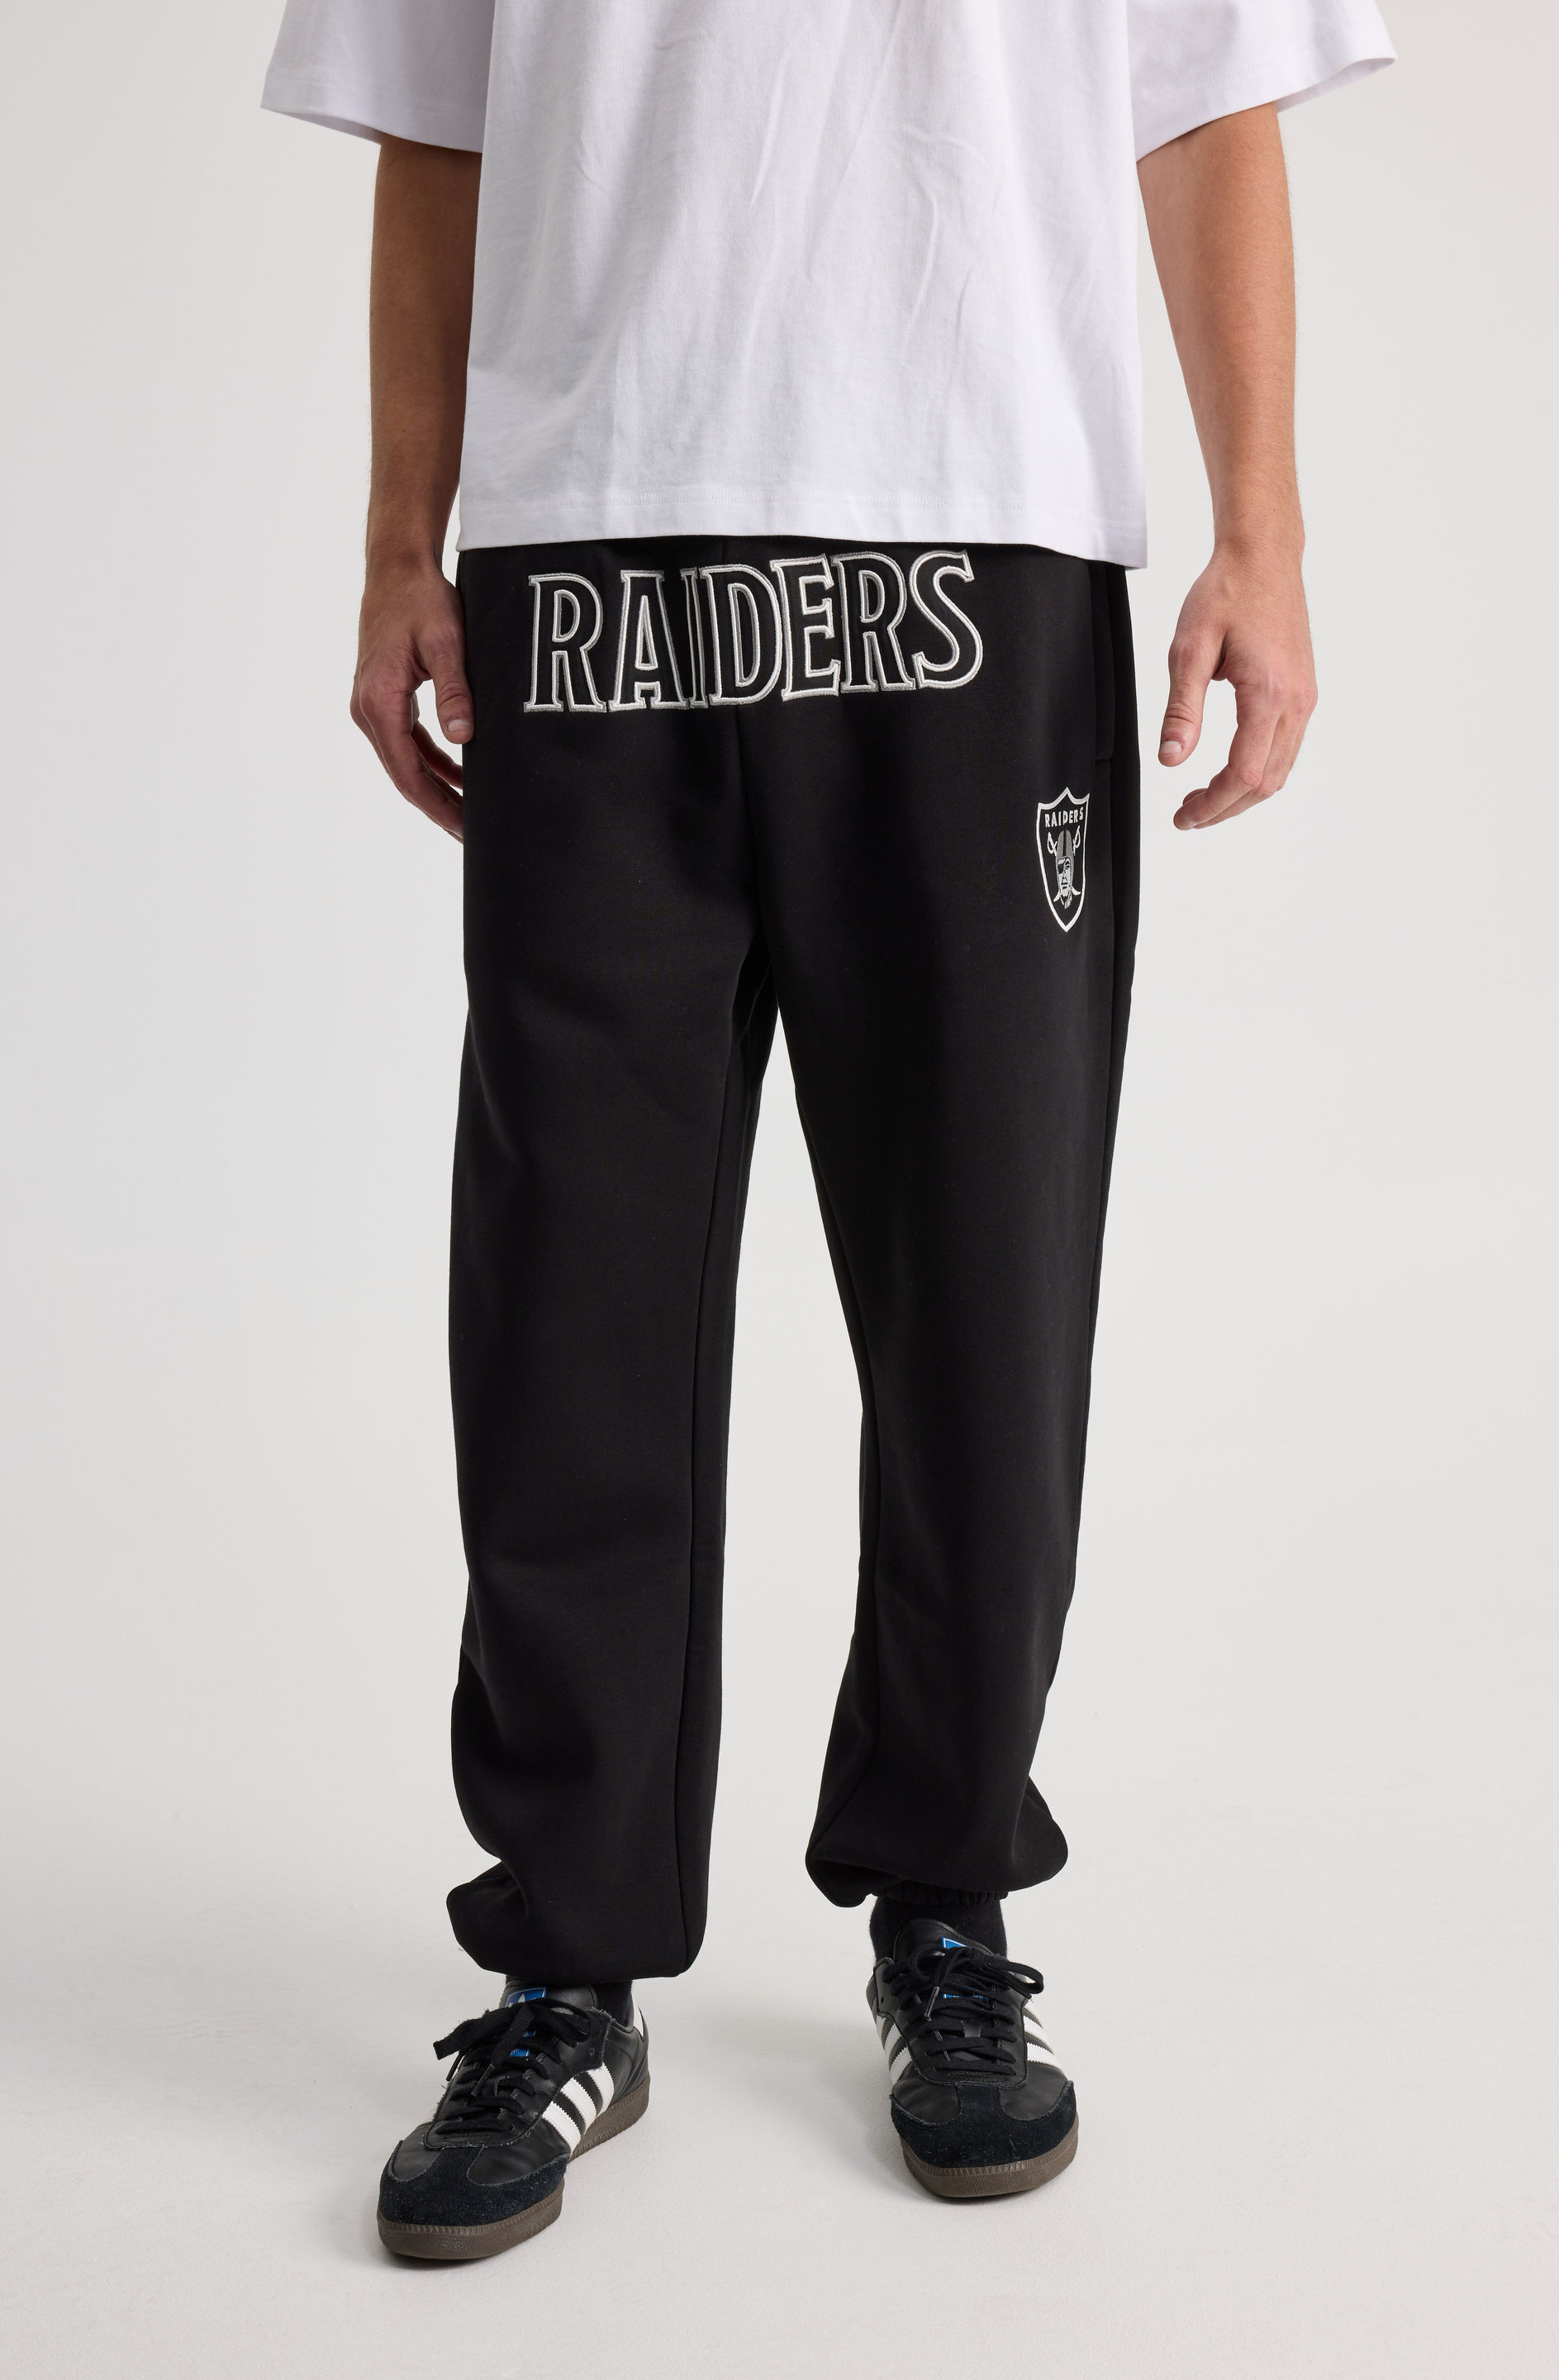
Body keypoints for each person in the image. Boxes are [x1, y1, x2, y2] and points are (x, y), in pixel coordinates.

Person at [262, 0, 1394, 2261]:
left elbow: (1208, 104)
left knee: (985, 1293)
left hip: (981, 538)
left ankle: (947, 1909)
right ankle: (564, 1961)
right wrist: (402, 532)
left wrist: (1262, 531)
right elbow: (439, 122)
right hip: (594, 550)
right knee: (569, 1307)